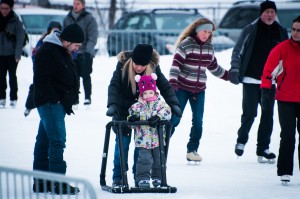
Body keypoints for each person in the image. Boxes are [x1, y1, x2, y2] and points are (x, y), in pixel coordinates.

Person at [106, 44, 182, 188]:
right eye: (136, 64)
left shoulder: (153, 67)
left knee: (141, 147)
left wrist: (174, 104)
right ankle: (118, 177)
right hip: (122, 111)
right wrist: (112, 105)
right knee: (122, 145)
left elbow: (164, 86)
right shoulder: (123, 65)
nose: (139, 68)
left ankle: (139, 177)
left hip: (144, 114)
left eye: (143, 65)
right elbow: (114, 85)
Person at [229, 0, 288, 163]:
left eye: (272, 12)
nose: (270, 15)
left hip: (270, 82)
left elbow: (286, 56)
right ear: (261, 13)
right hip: (250, 79)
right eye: (267, 12)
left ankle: (263, 148)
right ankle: (241, 141)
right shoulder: (251, 29)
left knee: (268, 115)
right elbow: (238, 51)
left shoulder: (281, 31)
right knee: (249, 113)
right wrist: (235, 70)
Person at [32, 23, 84, 194]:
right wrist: (55, 100)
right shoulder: (48, 51)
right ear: (67, 41)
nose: (76, 49)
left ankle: (41, 182)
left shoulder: (61, 50)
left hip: (55, 104)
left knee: (45, 141)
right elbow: (41, 80)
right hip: (50, 104)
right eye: (76, 45)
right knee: (57, 142)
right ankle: (58, 183)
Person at [169, 17, 229, 162]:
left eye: (209, 32)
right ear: (197, 30)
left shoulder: (209, 48)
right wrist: (172, 83)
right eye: (204, 31)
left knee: (198, 121)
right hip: (182, 88)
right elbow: (175, 65)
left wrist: (229, 76)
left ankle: (192, 150)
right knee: (175, 119)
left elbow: (214, 67)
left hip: (199, 90)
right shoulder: (186, 45)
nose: (206, 34)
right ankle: (161, 146)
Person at [261, 15, 300, 183]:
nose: (296, 33)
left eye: (299, 30)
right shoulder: (282, 49)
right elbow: (268, 70)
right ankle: (285, 170)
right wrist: (265, 90)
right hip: (286, 99)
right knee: (288, 135)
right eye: (294, 30)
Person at [128, 73, 172, 188]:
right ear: (141, 93)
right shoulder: (136, 106)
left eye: (150, 92)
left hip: (158, 139)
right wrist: (133, 119)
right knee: (144, 160)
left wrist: (158, 117)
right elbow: (130, 122)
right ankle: (142, 179)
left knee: (158, 160)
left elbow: (167, 112)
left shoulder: (161, 104)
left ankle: (158, 178)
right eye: (145, 93)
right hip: (143, 140)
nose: (148, 95)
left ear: (154, 91)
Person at [24, 20, 62, 117]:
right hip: (41, 67)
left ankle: (50, 105)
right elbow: (35, 53)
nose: (55, 32)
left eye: (57, 30)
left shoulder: (62, 41)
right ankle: (29, 106)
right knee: (36, 86)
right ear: (49, 30)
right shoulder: (43, 40)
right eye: (53, 30)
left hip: (55, 69)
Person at [64, 0, 98, 106]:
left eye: (78, 4)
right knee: (74, 76)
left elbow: (92, 36)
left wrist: (88, 51)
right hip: (71, 52)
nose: (75, 6)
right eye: (74, 3)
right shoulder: (68, 18)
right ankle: (75, 98)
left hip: (85, 52)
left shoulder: (89, 18)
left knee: (86, 75)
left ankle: (87, 97)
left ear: (83, 5)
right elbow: (64, 34)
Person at [0, 0, 25, 108]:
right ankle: (2, 98)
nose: (4, 11)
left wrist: (17, 55)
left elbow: (20, 38)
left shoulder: (16, 21)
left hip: (12, 54)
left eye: (6, 8)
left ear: (11, 8)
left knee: (12, 76)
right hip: (0, 54)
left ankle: (13, 98)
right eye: (2, 8)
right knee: (1, 76)